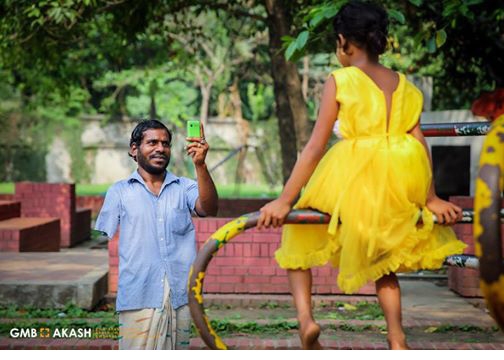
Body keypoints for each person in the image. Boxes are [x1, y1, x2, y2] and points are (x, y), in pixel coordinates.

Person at [257, 1, 466, 350]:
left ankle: (306, 319)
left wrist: (284, 200)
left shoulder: (341, 80)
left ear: (343, 41)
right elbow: (421, 145)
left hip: (352, 174)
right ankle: (397, 338)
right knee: (383, 260)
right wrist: (430, 197)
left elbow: (314, 147)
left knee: (297, 229)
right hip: (400, 180)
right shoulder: (405, 84)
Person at [95, 119, 218, 350]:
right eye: (152, 142)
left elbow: (209, 209)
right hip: (138, 295)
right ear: (134, 149)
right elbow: (103, 237)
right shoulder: (119, 191)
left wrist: (200, 165)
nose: (160, 148)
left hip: (180, 295)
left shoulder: (185, 187)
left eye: (166, 143)